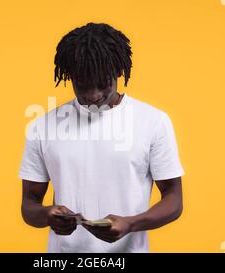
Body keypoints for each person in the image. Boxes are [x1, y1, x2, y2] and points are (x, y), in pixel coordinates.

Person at [19, 22, 185, 252]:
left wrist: (131, 223)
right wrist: (48, 215)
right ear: (69, 77)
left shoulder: (153, 121)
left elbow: (174, 199)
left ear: (119, 71)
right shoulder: (43, 126)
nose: (93, 95)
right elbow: (29, 205)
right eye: (83, 84)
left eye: (102, 83)